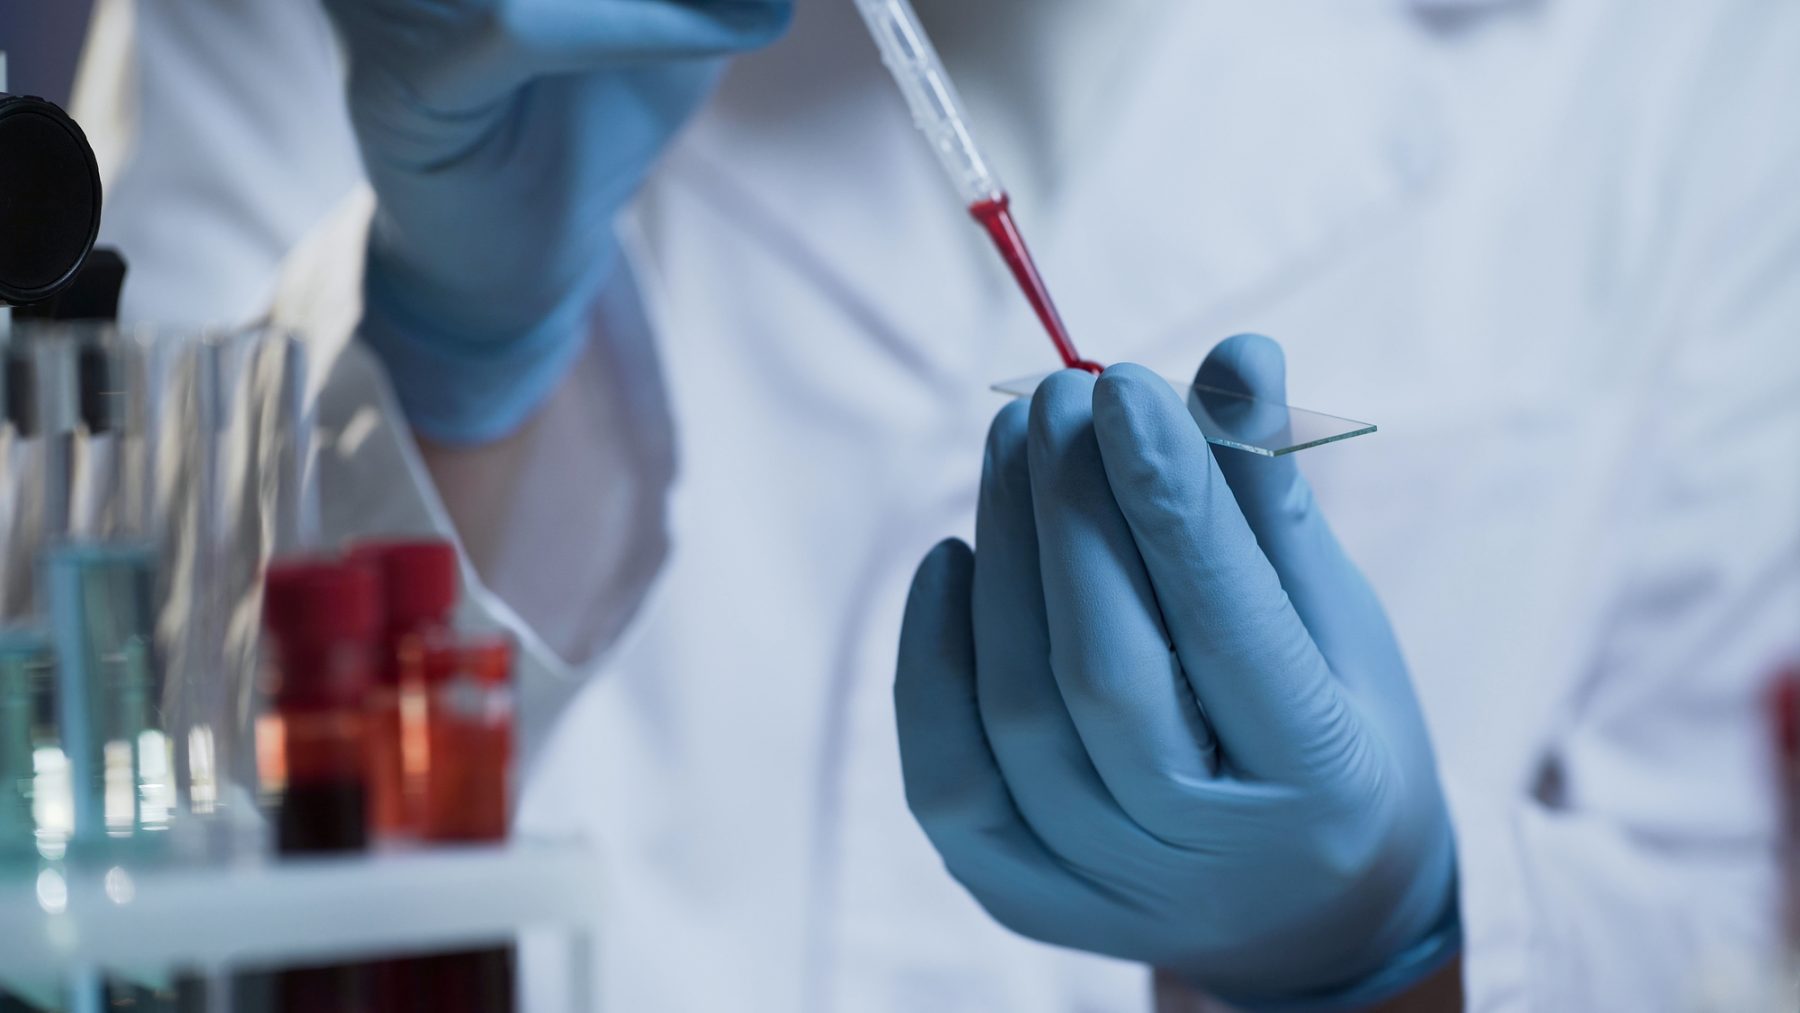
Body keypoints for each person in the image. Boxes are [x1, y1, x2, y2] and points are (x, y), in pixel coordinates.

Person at [78, 0, 1800, 1008]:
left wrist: (1404, 947)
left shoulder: (1688, 70)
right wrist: (440, 358)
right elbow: (104, 818)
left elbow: (1726, 935)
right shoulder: (366, 25)